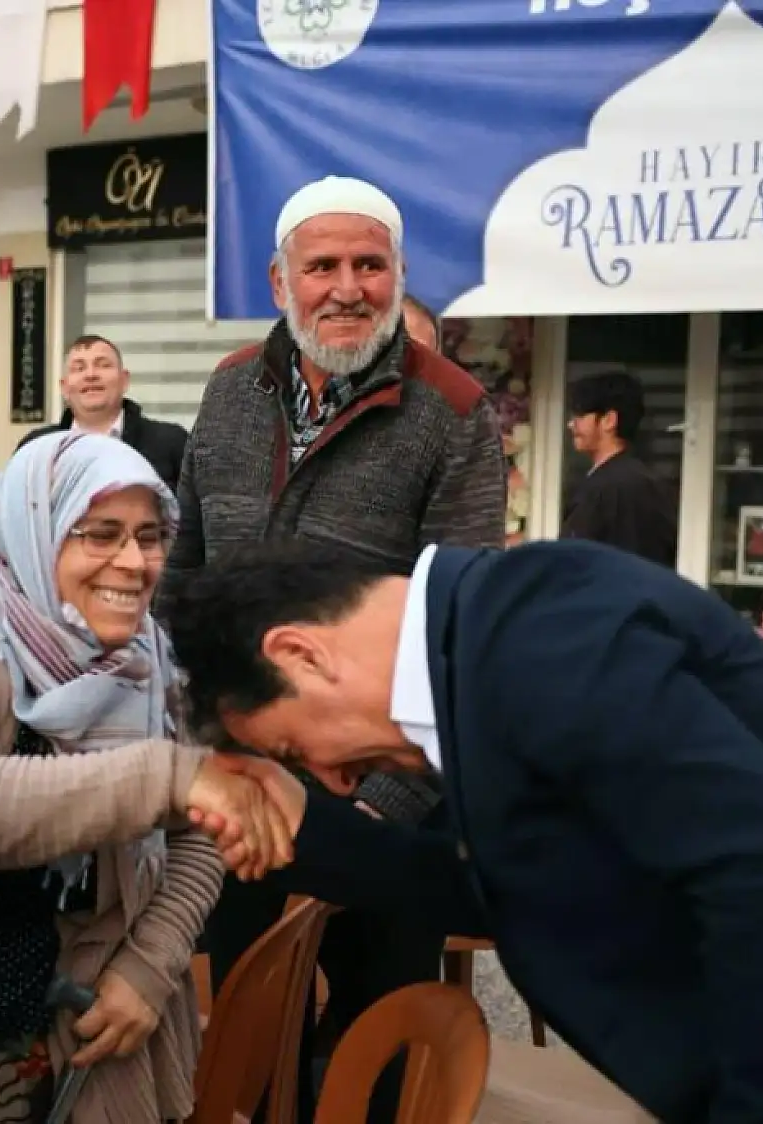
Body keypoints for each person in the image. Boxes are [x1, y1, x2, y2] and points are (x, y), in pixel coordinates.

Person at [165, 535, 763, 1124]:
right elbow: (530, 890)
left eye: (298, 751)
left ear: (301, 653)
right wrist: (311, 830)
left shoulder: (540, 639)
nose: (335, 779)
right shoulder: (488, 641)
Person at [166, 174, 507, 1121]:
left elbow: (456, 631)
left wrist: (379, 819)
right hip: (242, 775)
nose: (347, 286)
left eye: (370, 263)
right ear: (281, 281)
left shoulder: (455, 410)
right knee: (240, 1025)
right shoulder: (230, 391)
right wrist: (201, 745)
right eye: (324, 265)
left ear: (397, 274)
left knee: (372, 1047)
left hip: (377, 793)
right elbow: (182, 581)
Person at [0, 431, 286, 1124]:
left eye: (150, 536)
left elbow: (201, 828)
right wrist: (172, 777)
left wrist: (149, 965)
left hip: (94, 1034)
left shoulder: (148, 653)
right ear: (33, 524)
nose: (134, 563)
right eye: (100, 534)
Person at [16, 334, 189, 491]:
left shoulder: (171, 442)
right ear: (64, 387)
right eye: (79, 368)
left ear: (124, 380)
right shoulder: (36, 447)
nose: (90, 375)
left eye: (103, 365)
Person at [562, 369, 679, 568]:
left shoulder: (625, 485)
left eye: (580, 415)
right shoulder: (613, 480)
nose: (571, 424)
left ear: (609, 420)